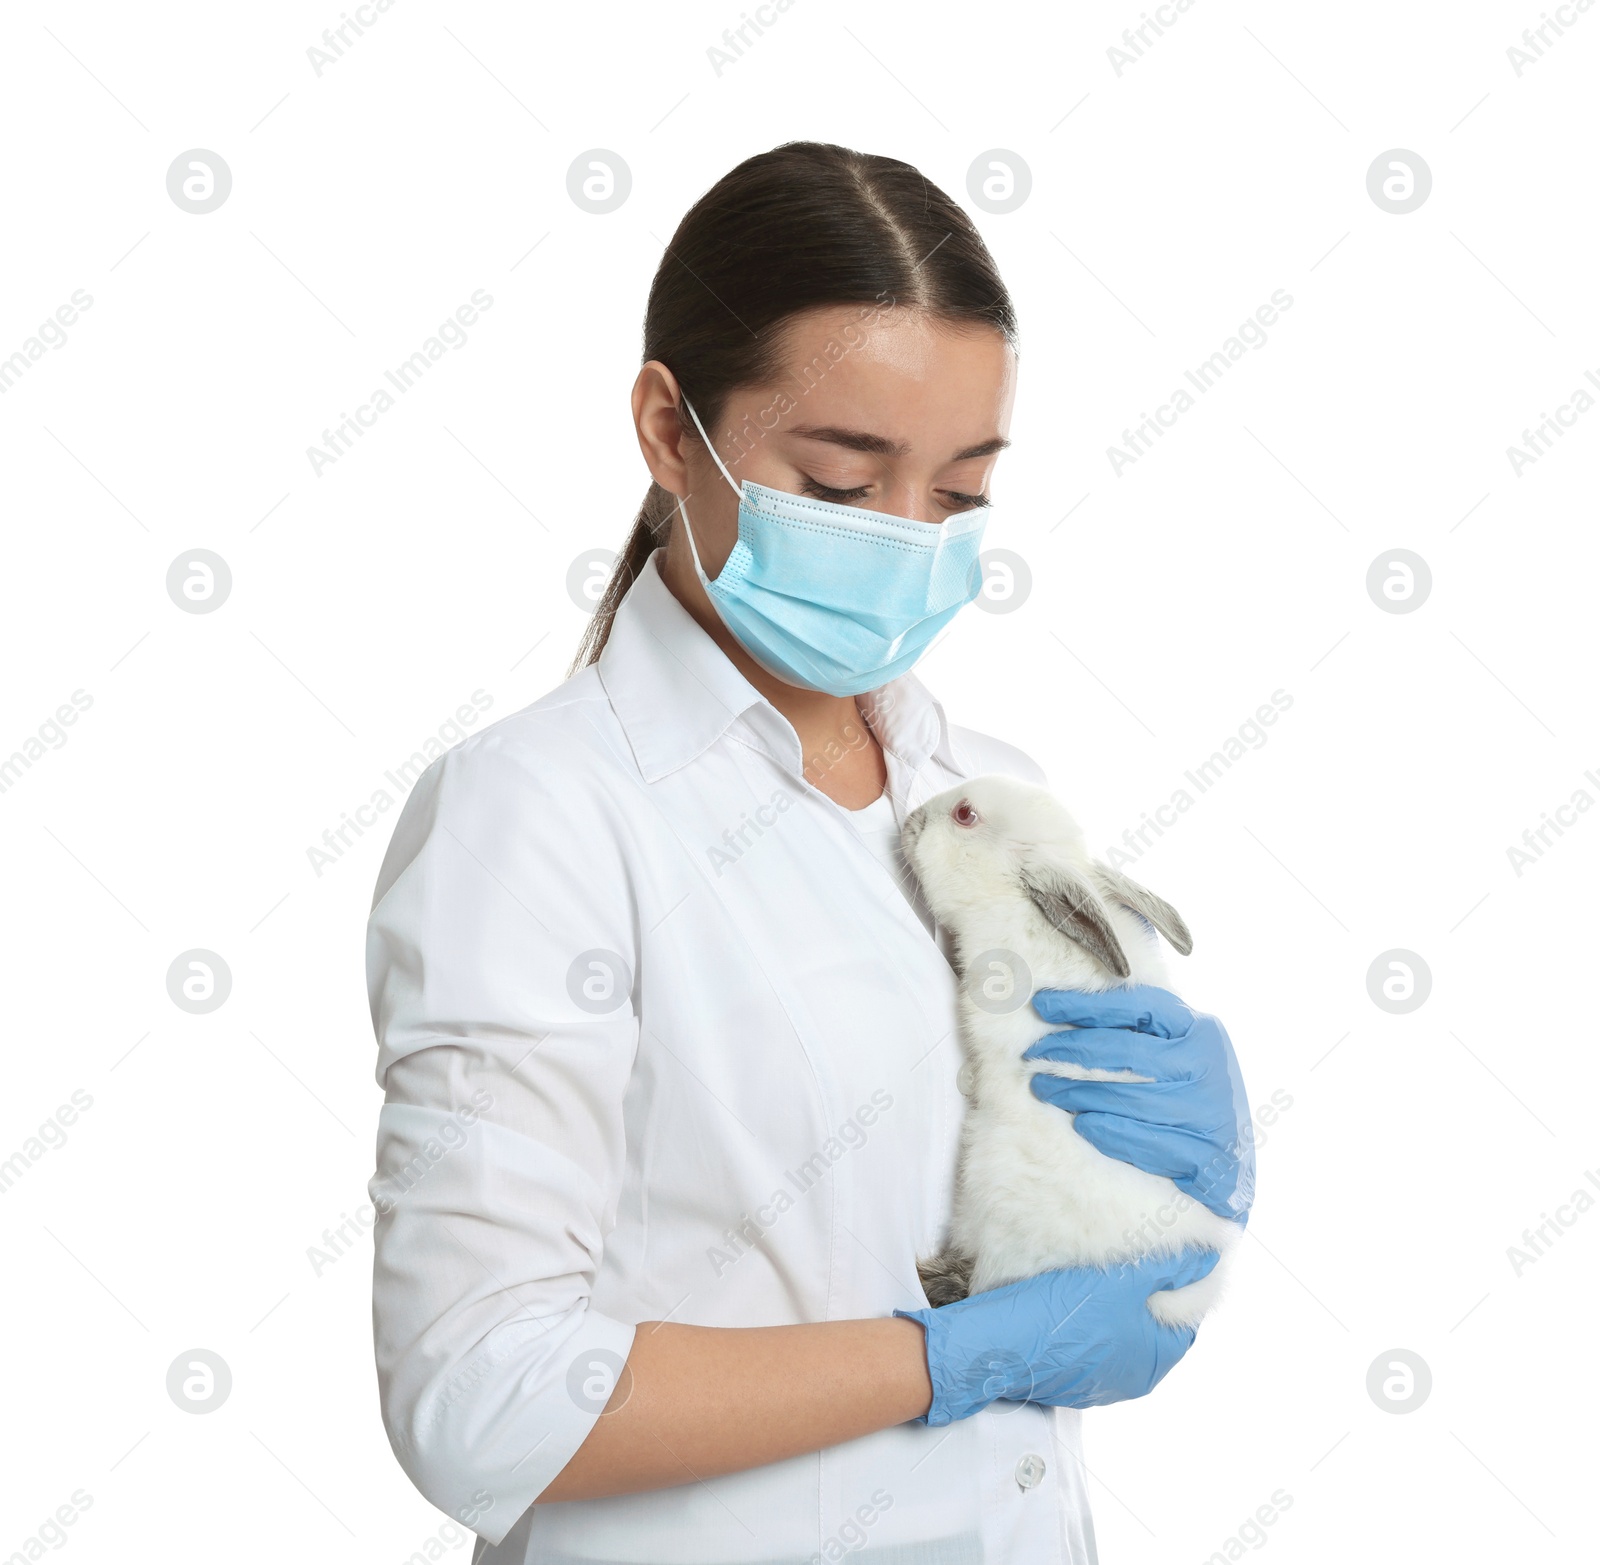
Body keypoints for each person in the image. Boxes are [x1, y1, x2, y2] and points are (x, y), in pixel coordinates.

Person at [366, 140, 1254, 1565]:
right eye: (843, 482)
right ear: (670, 429)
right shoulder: (537, 814)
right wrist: (947, 1355)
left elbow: (1094, 1285)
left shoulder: (990, 793)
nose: (908, 545)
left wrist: (1195, 1199)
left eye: (959, 494)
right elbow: (479, 1394)